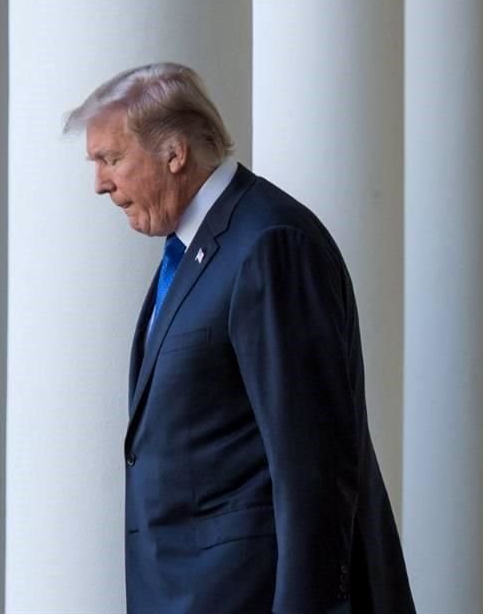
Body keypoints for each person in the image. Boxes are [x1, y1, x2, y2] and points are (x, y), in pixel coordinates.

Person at [64, 63, 416, 614]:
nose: (101, 183)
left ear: (174, 153)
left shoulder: (269, 244)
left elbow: (314, 463)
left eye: (111, 160)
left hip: (248, 593)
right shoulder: (194, 250)